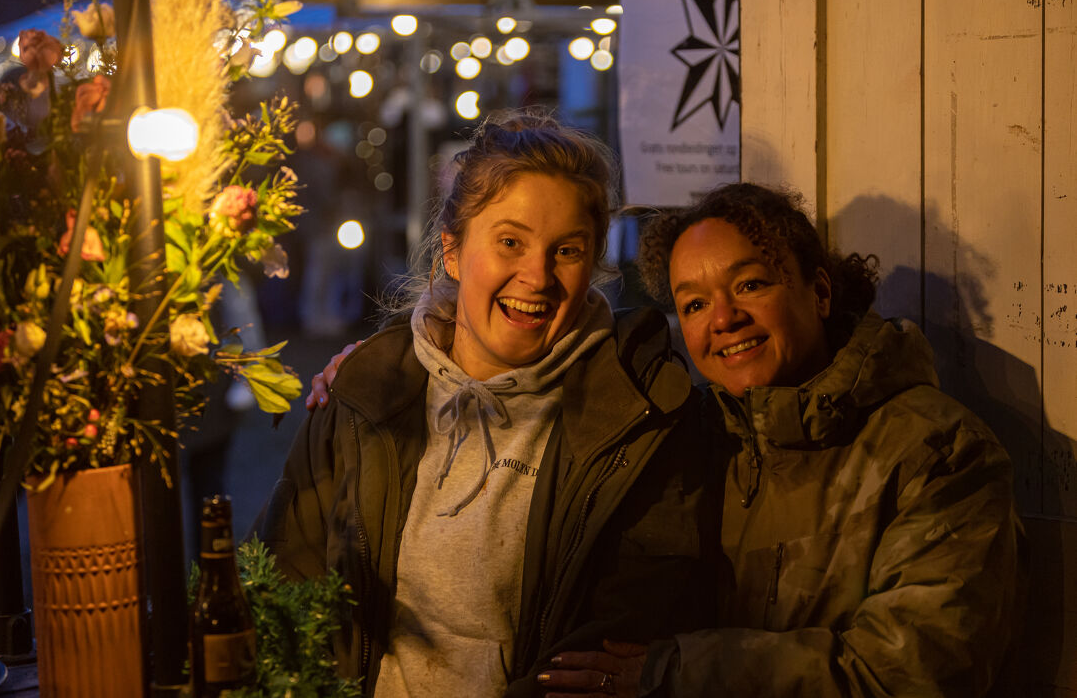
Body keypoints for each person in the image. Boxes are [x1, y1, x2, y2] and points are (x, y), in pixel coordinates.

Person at [254, 109, 720, 697]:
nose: (537, 276)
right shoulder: (366, 391)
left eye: (567, 251)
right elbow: (280, 584)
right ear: (452, 251)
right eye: (509, 242)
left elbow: (626, 626)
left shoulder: (637, 416)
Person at [536, 182, 1026, 697]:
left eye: (749, 285)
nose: (723, 319)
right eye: (695, 304)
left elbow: (916, 674)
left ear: (819, 292)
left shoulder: (939, 451)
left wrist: (681, 673)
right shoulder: (692, 444)